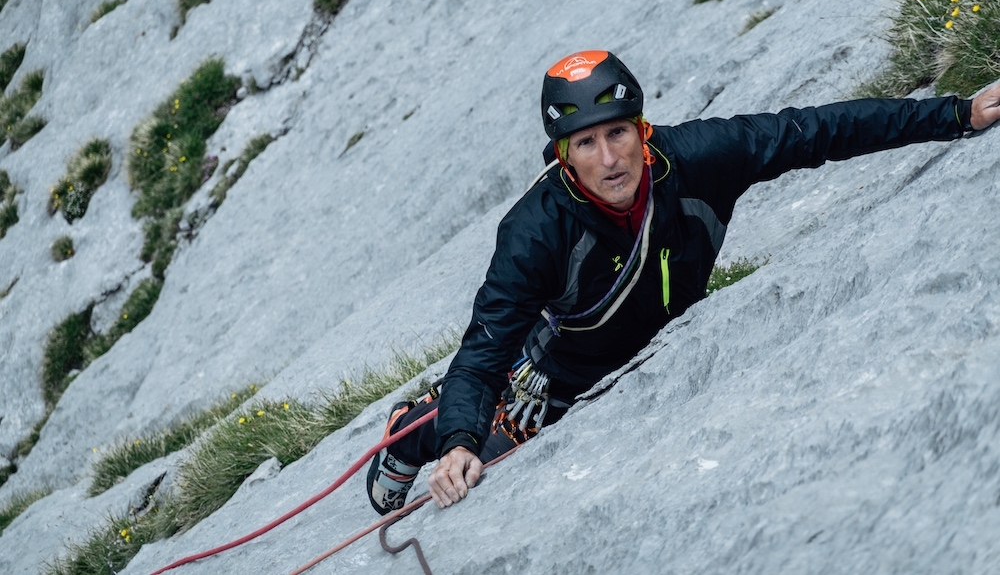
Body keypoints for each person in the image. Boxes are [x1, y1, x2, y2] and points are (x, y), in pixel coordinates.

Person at [366, 50, 1000, 515]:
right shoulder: (534, 229)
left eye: (618, 133)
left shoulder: (694, 157)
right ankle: (410, 432)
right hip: (564, 370)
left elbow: (814, 131)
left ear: (642, 131)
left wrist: (956, 113)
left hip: (662, 340)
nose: (609, 159)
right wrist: (454, 443)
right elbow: (486, 344)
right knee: (496, 448)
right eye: (586, 143)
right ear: (562, 156)